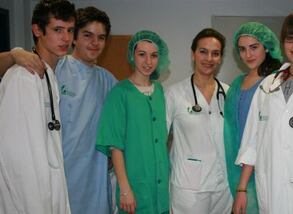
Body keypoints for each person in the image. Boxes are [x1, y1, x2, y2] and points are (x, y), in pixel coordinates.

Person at [0, 7, 118, 213]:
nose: (95, 42)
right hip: (59, 172)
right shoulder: (55, 67)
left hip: (94, 178)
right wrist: (14, 53)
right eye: (87, 35)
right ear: (75, 38)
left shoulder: (108, 81)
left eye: (101, 37)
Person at [235, 10, 293, 214]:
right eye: (290, 38)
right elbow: (252, 140)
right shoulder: (268, 85)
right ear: (282, 42)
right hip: (271, 187)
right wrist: (242, 188)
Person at [0, 0, 75, 213]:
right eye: (57, 30)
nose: (66, 38)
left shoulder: (48, 76)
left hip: (48, 194)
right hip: (29, 203)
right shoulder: (23, 77)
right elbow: (19, 160)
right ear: (37, 30)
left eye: (70, 30)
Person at [96, 30, 170, 214]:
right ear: (132, 56)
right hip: (135, 187)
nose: (148, 61)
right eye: (142, 54)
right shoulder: (120, 93)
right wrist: (125, 189)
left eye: (154, 55)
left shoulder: (160, 91)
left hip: (161, 189)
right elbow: (115, 146)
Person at [166, 28, 232, 214]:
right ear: (193, 54)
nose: (209, 58)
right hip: (188, 188)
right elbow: (158, 140)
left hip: (223, 187)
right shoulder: (174, 94)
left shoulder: (228, 93)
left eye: (215, 53)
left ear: (220, 58)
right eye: (203, 51)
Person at [224, 22, 283, 214]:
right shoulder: (236, 84)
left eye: (254, 47)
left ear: (267, 46)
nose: (248, 55)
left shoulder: (278, 81)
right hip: (237, 169)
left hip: (266, 168)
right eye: (242, 49)